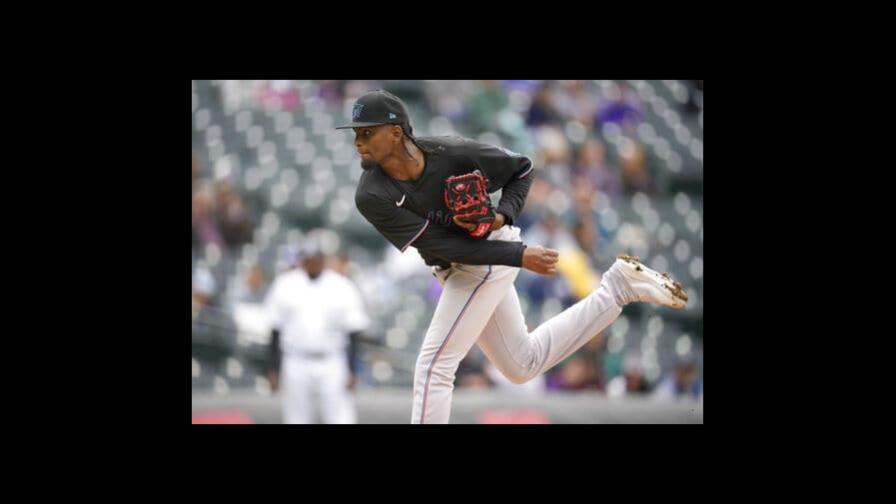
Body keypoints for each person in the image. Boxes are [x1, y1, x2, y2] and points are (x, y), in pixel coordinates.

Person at [339, 89, 688, 424]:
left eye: (367, 133)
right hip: (466, 259)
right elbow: (444, 247)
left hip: (487, 255)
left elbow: (521, 169)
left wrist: (502, 216)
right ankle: (618, 288)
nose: (358, 141)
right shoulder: (371, 194)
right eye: (357, 133)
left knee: (434, 366)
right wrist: (518, 255)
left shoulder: (452, 153)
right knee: (522, 364)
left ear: (397, 132)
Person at [264, 235, 370, 424]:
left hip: (332, 360)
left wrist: (353, 370)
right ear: (302, 259)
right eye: (309, 257)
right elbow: (275, 330)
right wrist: (273, 369)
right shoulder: (285, 284)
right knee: (296, 419)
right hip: (295, 359)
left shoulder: (341, 285)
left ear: (323, 259)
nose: (313, 261)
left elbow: (354, 331)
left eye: (317, 257)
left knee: (340, 418)